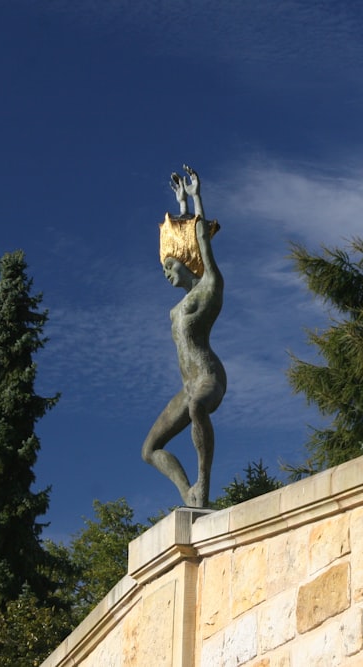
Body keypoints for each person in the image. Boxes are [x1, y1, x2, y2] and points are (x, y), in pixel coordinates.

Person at [142, 166, 226, 507]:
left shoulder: (210, 287)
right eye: (162, 268)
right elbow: (191, 236)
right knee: (149, 449)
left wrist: (195, 199)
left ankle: (204, 484)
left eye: (169, 265)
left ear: (187, 262)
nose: (165, 272)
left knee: (196, 408)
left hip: (209, 377)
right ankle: (188, 493)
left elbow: (202, 239)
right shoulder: (176, 309)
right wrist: (180, 208)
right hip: (187, 385)